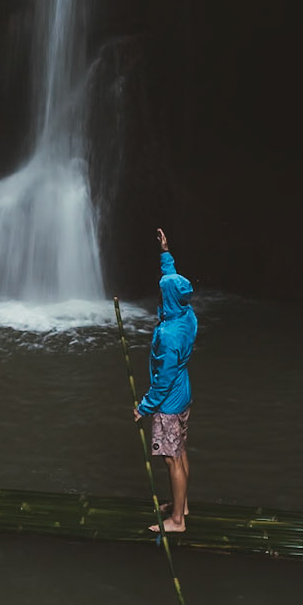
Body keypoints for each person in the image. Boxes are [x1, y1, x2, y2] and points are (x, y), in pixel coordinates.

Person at [135, 226, 198, 534]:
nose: (160, 292)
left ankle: (177, 521)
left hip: (169, 402)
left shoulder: (170, 334)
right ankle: (181, 504)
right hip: (183, 395)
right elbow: (174, 282)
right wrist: (165, 252)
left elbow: (163, 378)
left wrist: (144, 408)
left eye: (163, 290)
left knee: (171, 460)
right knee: (181, 450)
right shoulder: (186, 315)